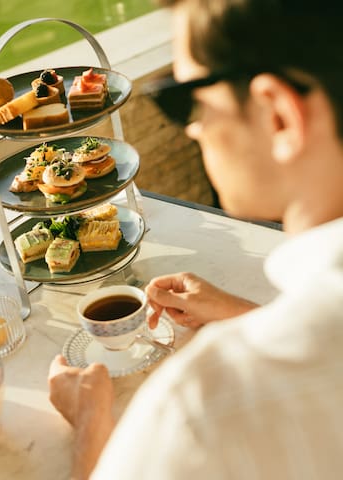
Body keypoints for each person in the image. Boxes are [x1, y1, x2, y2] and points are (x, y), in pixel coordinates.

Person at [48, 0, 343, 478]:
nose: (191, 128)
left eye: (184, 98)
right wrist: (251, 315)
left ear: (279, 115)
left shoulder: (205, 405)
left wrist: (90, 425)